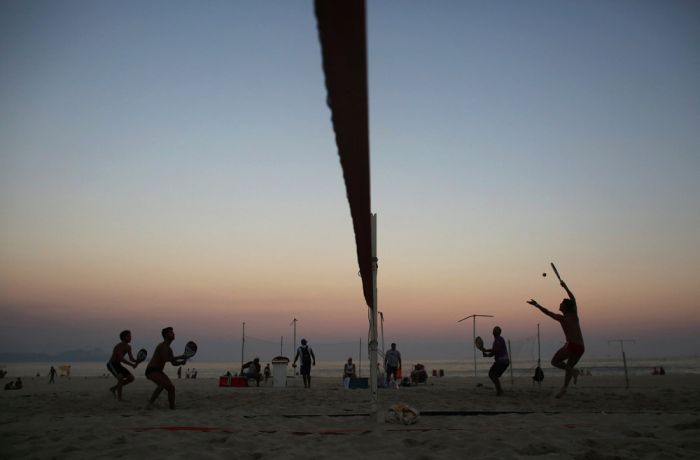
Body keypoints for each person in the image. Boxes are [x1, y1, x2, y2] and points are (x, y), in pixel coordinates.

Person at [528, 277, 584, 398]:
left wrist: (537, 305)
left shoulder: (562, 318)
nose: (559, 304)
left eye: (561, 303)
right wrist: (565, 286)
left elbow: (547, 312)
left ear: (565, 307)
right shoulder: (574, 315)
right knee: (569, 367)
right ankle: (564, 389)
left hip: (572, 345)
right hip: (581, 347)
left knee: (555, 362)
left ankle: (573, 372)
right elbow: (573, 299)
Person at [145, 327, 187, 410]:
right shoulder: (162, 346)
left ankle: (172, 407)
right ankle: (149, 404)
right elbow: (165, 359)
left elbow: (173, 363)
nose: (173, 334)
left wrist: (181, 362)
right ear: (165, 335)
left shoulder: (169, 349)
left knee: (171, 388)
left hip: (159, 371)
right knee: (163, 384)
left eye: (173, 332)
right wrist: (180, 356)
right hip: (151, 370)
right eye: (171, 332)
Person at [106, 330, 139, 401]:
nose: (130, 338)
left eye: (130, 336)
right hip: (112, 364)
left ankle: (114, 388)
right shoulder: (118, 347)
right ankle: (120, 399)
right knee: (120, 378)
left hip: (118, 365)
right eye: (129, 336)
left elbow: (131, 358)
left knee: (131, 378)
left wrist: (137, 360)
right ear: (124, 337)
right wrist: (132, 365)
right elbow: (121, 359)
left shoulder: (129, 347)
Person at [479, 326, 510, 396]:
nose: (494, 331)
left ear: (498, 332)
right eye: (494, 330)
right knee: (492, 374)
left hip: (502, 362)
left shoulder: (499, 339)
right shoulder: (496, 341)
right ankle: (500, 390)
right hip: (502, 362)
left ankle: (499, 391)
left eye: (495, 330)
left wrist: (487, 353)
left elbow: (494, 352)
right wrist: (486, 351)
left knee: (493, 375)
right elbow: (493, 351)